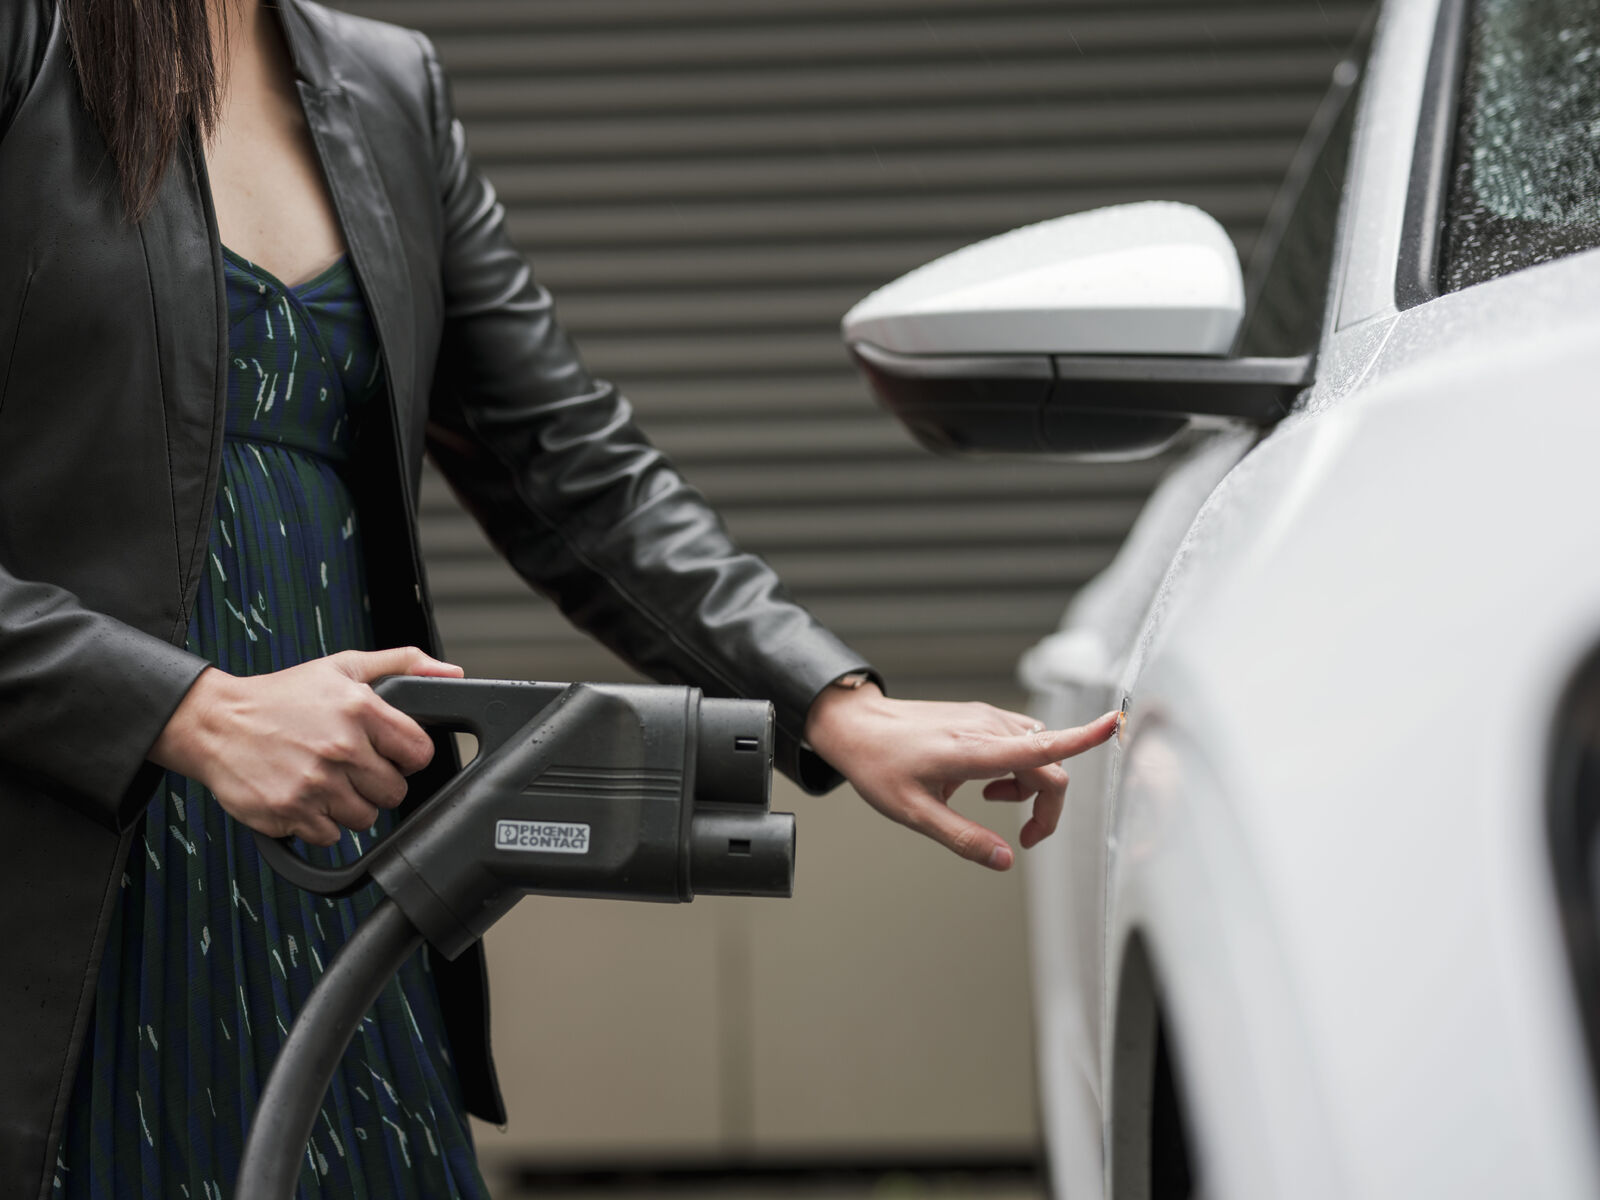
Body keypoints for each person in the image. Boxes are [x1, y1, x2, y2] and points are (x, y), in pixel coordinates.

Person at [0, 0, 1119, 1195]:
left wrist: (832, 702)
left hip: (334, 867)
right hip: (61, 905)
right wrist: (190, 711)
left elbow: (569, 466)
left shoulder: (385, 88)